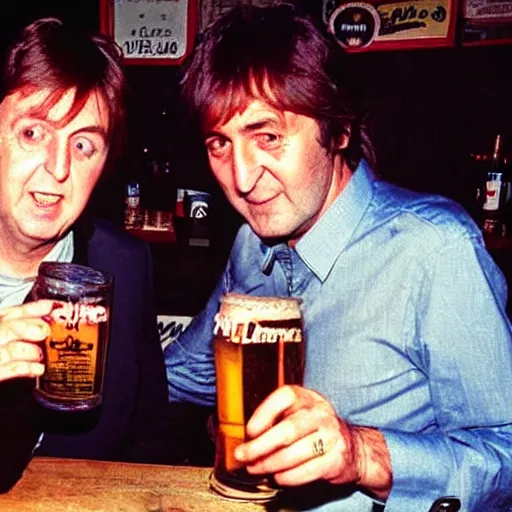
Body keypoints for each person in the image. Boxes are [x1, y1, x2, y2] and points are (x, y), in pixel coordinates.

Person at [164, 3, 512, 511]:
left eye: (268, 136)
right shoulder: (251, 244)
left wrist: (361, 453)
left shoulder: (434, 250)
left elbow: (506, 456)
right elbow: (185, 373)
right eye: (220, 143)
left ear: (339, 129)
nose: (240, 178)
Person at [0, 17, 184, 493]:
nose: (59, 168)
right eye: (33, 134)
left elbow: (150, 442)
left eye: (83, 144)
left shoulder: (123, 264)